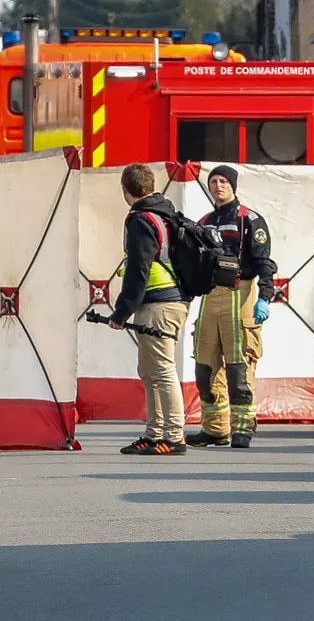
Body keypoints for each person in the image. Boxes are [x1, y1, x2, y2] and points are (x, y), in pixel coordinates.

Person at [187, 165, 276, 449]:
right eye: (213, 181)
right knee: (205, 367)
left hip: (242, 294)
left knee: (239, 368)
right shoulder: (204, 221)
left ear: (233, 185)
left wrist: (265, 296)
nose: (217, 185)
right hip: (210, 297)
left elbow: (264, 263)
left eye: (223, 180)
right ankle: (215, 429)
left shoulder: (250, 219)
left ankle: (242, 429)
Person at [108, 164, 192, 456]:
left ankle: (174, 435)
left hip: (159, 302)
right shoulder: (165, 213)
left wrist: (121, 313)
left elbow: (138, 270)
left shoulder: (142, 220)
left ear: (125, 189)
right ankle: (155, 434)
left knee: (163, 370)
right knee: (149, 371)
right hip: (169, 301)